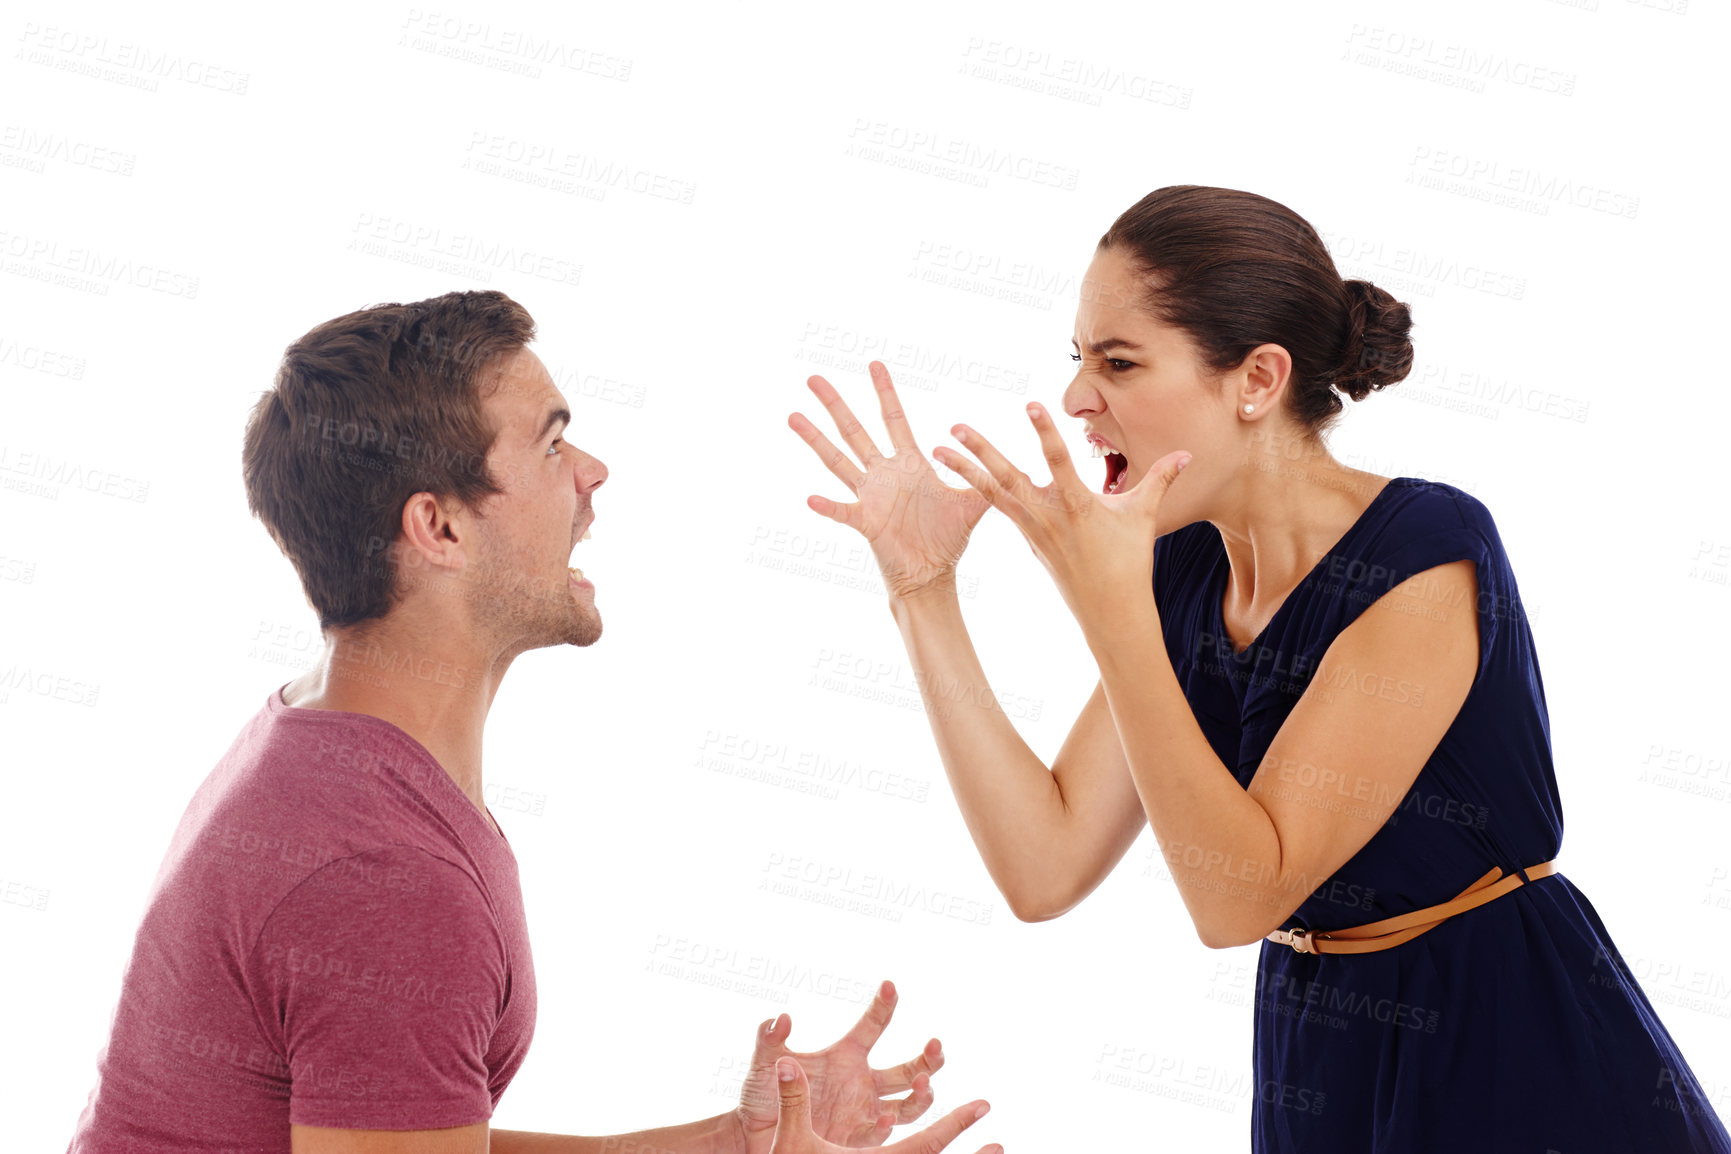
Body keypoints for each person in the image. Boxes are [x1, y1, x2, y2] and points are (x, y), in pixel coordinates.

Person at [787, 185, 1731, 1151]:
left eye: (1118, 362)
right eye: (1079, 361)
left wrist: (1111, 613)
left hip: (1504, 1041)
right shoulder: (1184, 566)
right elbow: (1044, 867)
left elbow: (1237, 897)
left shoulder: (1425, 552)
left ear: (1255, 380)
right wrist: (922, 589)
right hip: (1316, 1042)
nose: (1077, 399)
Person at [66, 292, 1001, 1154]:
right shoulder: (383, 873)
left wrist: (735, 1144)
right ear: (438, 529)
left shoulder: (325, 739)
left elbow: (404, 1131)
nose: (594, 472)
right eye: (553, 446)